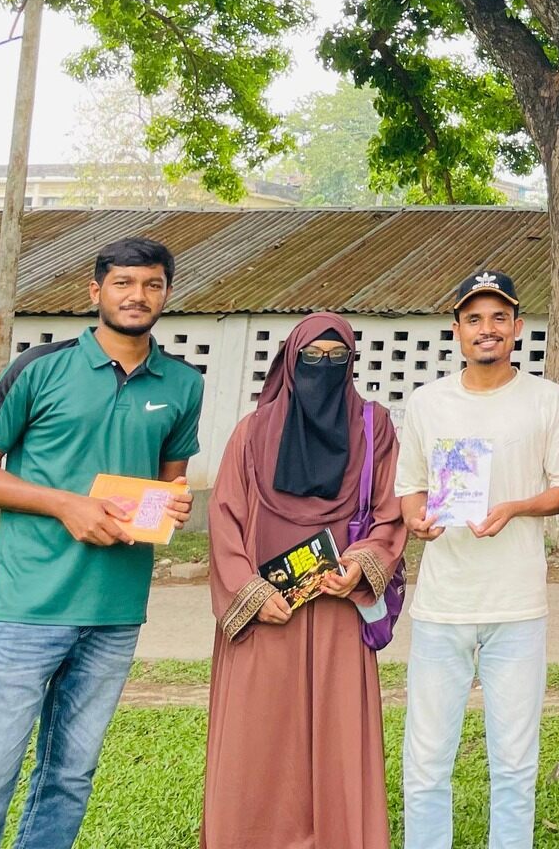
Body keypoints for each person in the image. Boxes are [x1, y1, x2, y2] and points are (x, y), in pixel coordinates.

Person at [0, 237, 202, 849]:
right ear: (96, 292)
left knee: (69, 775)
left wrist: (177, 498)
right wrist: (65, 503)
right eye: (123, 283)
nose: (137, 295)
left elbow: (169, 478)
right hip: (31, 605)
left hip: (117, 609)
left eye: (151, 284)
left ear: (167, 293)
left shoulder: (182, 383)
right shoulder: (40, 369)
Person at [204, 311, 408, 848]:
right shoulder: (251, 433)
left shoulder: (373, 427)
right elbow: (223, 517)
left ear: (352, 362)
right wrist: (251, 592)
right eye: (311, 358)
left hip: (337, 609)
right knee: (258, 742)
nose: (323, 367)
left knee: (337, 742)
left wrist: (360, 565)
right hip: (266, 616)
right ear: (290, 364)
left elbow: (389, 511)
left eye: (335, 357)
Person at [397, 270, 559, 849]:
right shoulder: (428, 403)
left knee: (515, 762)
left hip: (517, 605)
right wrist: (417, 519)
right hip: (442, 605)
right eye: (474, 318)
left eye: (499, 317)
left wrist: (515, 507)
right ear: (457, 331)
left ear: (518, 327)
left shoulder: (547, 399)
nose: (487, 328)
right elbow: (410, 489)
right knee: (426, 761)